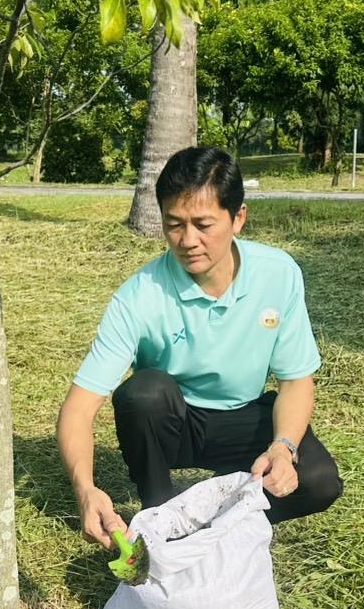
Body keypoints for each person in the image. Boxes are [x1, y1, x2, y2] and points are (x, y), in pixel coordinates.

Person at [56, 145, 343, 549]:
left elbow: (297, 380)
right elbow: (78, 409)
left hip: (243, 416)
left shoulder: (278, 275)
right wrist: (85, 489)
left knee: (319, 481)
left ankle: (215, 527)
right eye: (174, 224)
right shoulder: (140, 295)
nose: (188, 240)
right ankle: (159, 516)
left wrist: (283, 447)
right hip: (175, 423)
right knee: (145, 393)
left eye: (203, 224)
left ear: (238, 218)